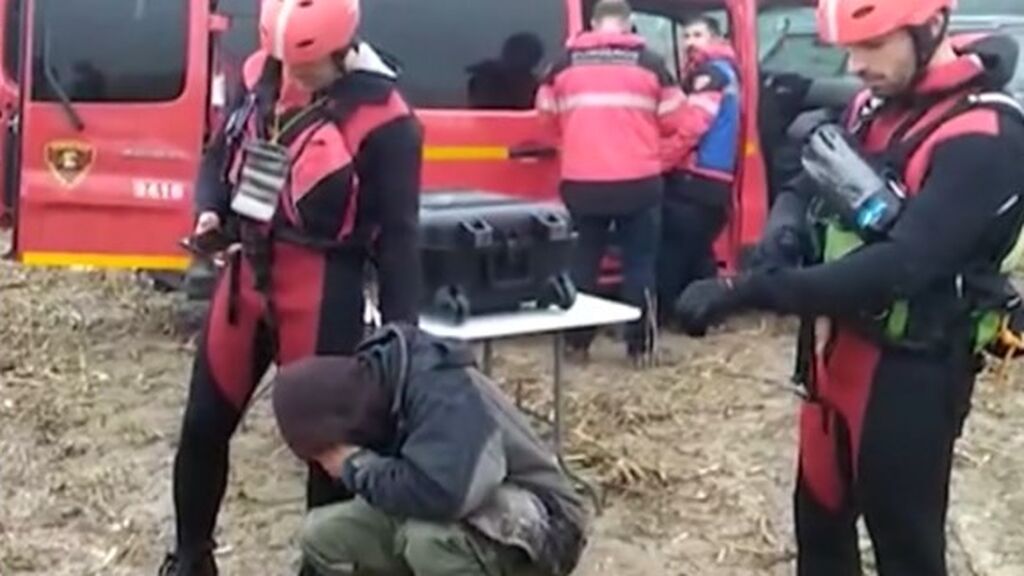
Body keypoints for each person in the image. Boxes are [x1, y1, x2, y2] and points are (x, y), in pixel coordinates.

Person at [675, 0, 1024, 573]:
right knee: (818, 524)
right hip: (837, 356)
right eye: (849, 49)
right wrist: (783, 231)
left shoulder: (984, 135)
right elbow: (808, 176)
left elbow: (904, 264)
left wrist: (751, 292)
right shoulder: (871, 105)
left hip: (911, 370)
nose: (856, 65)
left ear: (931, 25)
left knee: (904, 543)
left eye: (872, 45)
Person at [159, 0, 423, 574]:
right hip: (245, 282)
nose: (293, 79)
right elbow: (219, 154)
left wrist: (406, 340)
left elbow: (401, 238)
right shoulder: (259, 76)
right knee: (203, 425)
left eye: (306, 68)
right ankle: (190, 557)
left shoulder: (387, 118)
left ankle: (319, 567)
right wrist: (209, 211)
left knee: (324, 452)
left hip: (325, 289)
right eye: (283, 63)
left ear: (343, 48)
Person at [270, 323, 589, 576]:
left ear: (331, 427)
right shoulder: (379, 393)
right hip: (463, 512)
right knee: (322, 533)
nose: (325, 466)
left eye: (321, 453)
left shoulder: (440, 391)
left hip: (546, 526)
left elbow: (449, 492)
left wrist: (356, 466)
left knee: (428, 540)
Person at [535, 0, 685, 363]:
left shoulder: (563, 63)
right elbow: (676, 118)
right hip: (638, 181)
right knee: (640, 265)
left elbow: (544, 114)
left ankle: (576, 345)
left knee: (582, 263)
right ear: (629, 24)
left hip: (583, 181)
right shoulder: (650, 62)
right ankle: (639, 348)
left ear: (593, 23)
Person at [657, 15, 741, 327]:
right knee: (699, 250)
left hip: (697, 174)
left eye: (697, 35)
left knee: (673, 251)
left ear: (716, 39)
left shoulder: (710, 74)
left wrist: (660, 160)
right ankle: (704, 316)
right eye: (687, 35)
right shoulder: (726, 71)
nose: (690, 42)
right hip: (715, 176)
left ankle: (664, 315)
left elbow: (693, 127)